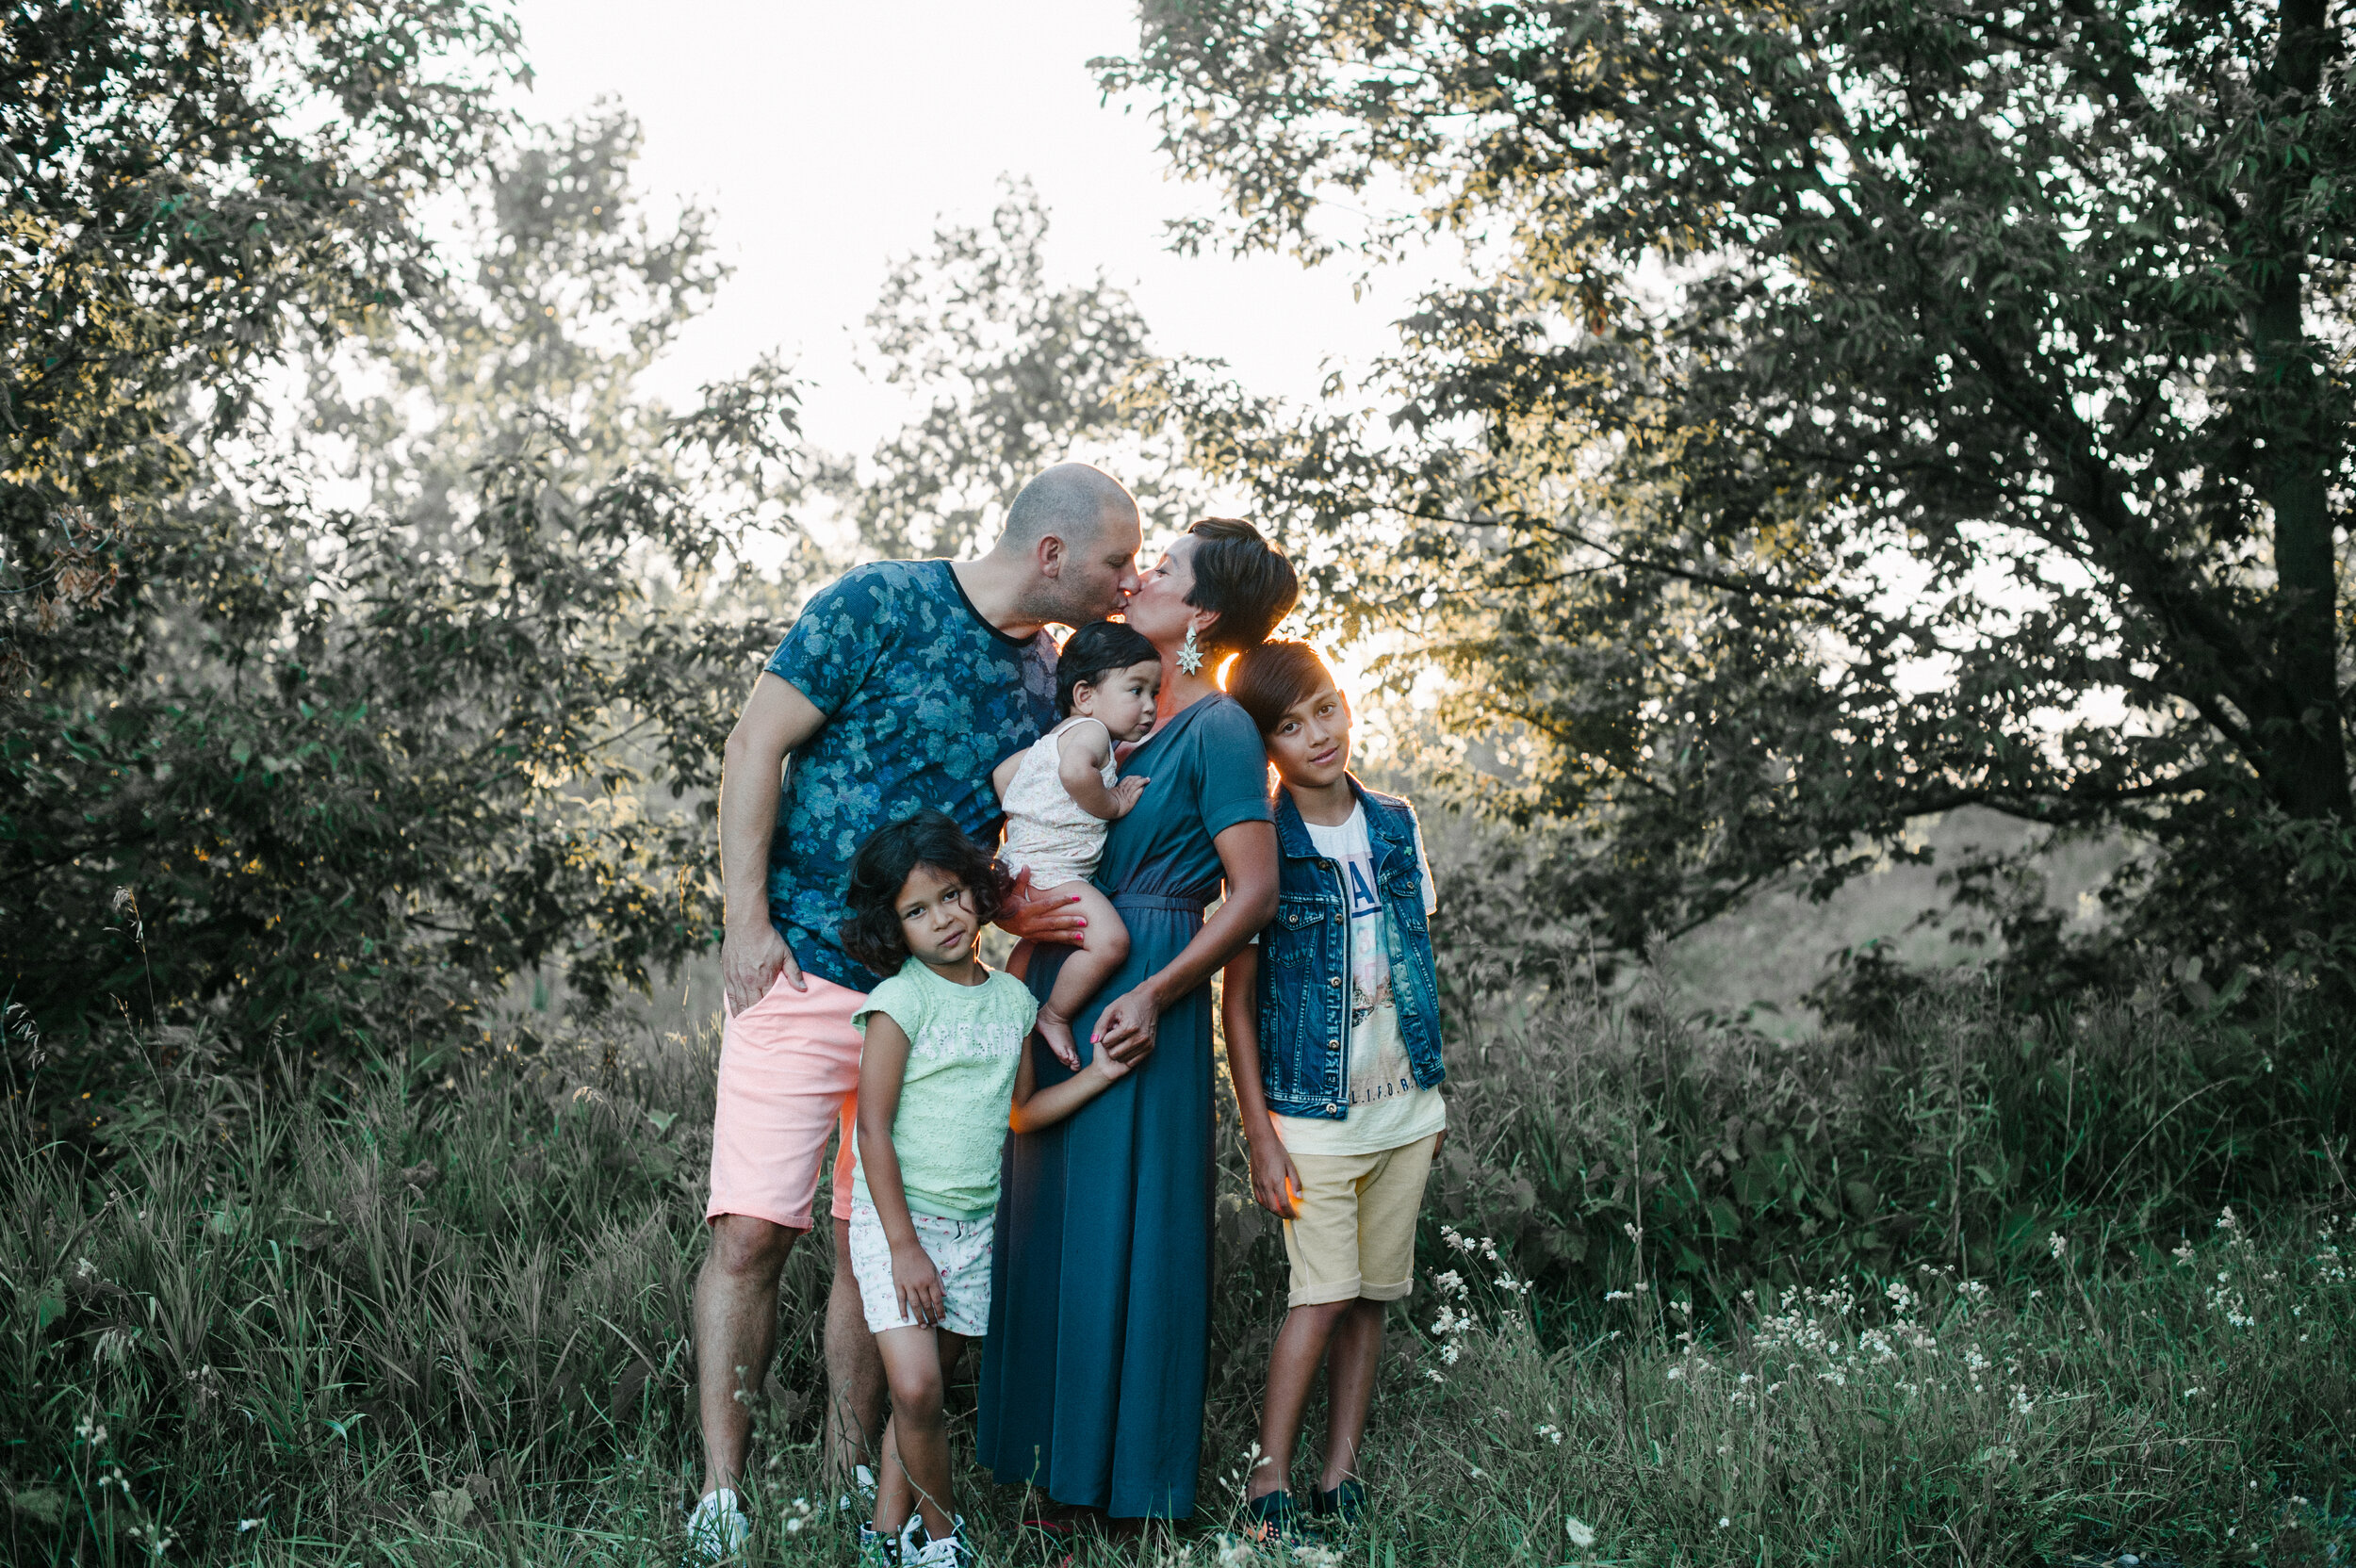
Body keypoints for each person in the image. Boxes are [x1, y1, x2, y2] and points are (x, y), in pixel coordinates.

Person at [689, 463, 1142, 1559]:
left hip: (935, 1001)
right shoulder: (877, 603)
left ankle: (857, 1482)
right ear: (1050, 554)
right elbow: (756, 746)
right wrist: (746, 923)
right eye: (1115, 562)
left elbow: (1023, 837)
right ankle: (722, 1495)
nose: (1125, 584)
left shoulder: (1050, 687)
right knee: (752, 1232)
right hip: (798, 975)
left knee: (870, 1251)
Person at [978, 517, 1299, 1528]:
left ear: (1201, 614)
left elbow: (1251, 894)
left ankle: (1125, 1490)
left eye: (1165, 569)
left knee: (1135, 1222)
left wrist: (1156, 995)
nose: (1142, 575)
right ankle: (1043, 1475)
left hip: (1145, 975)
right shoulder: (1106, 714)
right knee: (1044, 1220)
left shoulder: (1218, 727)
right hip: (1052, 967)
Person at [836, 811, 1134, 1568]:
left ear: (977, 892)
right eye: (916, 909)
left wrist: (1097, 1074)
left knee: (928, 1390)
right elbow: (872, 1131)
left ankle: (882, 1536)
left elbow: (1022, 1112)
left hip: (974, 1230)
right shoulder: (899, 1005)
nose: (940, 918)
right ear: (891, 925)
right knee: (916, 1390)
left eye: (951, 896)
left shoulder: (1011, 1002)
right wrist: (904, 1248)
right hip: (898, 1227)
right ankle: (945, 1543)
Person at [1217, 640, 1448, 1540]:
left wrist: (1435, 1093)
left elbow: (1420, 962)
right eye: (1289, 724)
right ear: (1265, 745)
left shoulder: (1395, 821)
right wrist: (1260, 1137)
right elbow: (1235, 1005)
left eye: (1325, 708)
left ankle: (1337, 1476)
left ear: (1345, 703)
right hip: (1311, 1118)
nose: (1317, 733)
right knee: (1318, 1296)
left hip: (1405, 1107)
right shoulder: (1260, 844)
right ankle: (1265, 1487)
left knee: (1371, 1298)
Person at [990, 620, 1163, 1068]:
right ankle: (1054, 1014)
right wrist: (1111, 804)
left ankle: (1010, 1008)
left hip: (1024, 866)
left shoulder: (1052, 741)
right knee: (1109, 943)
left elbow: (1003, 776)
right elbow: (1073, 775)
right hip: (1053, 871)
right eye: (1136, 690)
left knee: (1033, 948)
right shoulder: (1092, 733)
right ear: (1084, 696)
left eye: (1155, 693)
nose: (1149, 707)